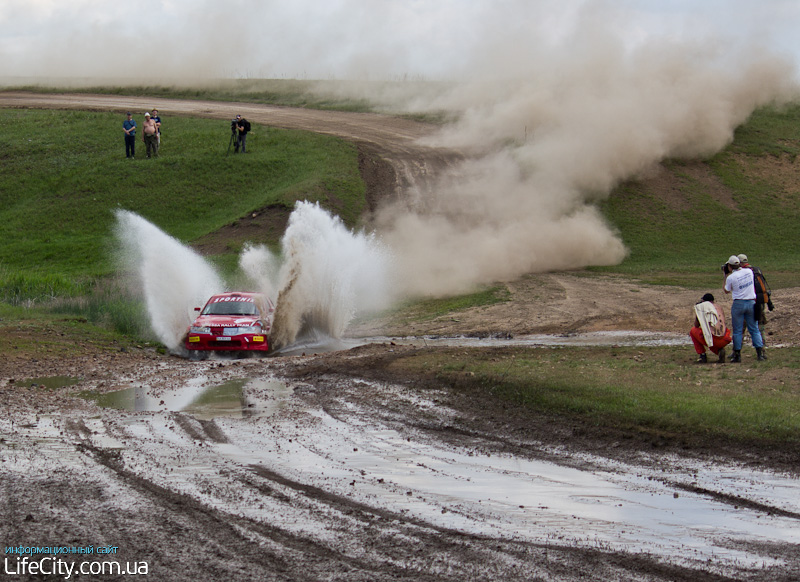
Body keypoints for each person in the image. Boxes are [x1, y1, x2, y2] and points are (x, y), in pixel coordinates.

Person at [723, 255, 766, 362]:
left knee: (737, 331)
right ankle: (759, 353)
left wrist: (725, 275)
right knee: (754, 329)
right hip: (751, 302)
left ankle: (737, 355)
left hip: (739, 304)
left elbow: (726, 290)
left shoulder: (731, 277)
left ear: (729, 266)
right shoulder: (749, 272)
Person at [737, 253, 773, 338]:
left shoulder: (742, 272)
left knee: (741, 327)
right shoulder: (757, 270)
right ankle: (762, 346)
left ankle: (737, 349)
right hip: (760, 301)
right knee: (760, 325)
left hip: (748, 302)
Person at [690, 293, 732, 363]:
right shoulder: (719, 307)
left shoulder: (702, 308)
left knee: (694, 331)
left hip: (713, 339)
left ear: (703, 301)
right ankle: (719, 350)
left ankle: (702, 355)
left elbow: (696, 325)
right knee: (710, 336)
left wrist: (698, 314)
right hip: (725, 338)